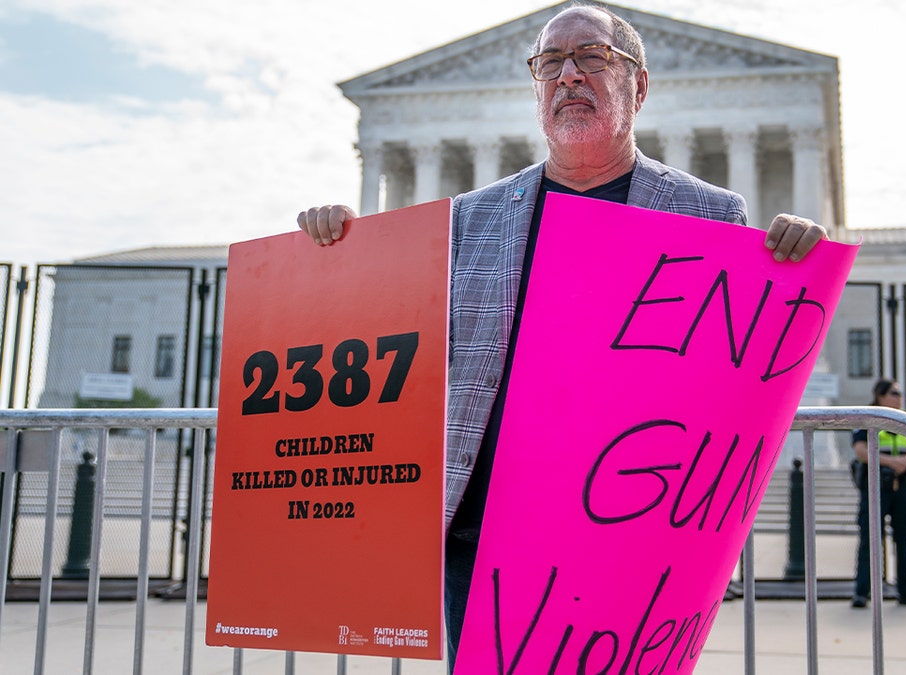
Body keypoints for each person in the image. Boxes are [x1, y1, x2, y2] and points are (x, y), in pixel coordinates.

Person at [297, 4, 829, 668]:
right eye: (550, 64)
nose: (568, 76)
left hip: (625, 531)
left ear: (638, 86)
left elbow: (730, 380)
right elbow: (387, 339)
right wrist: (346, 250)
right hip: (484, 533)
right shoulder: (471, 216)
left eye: (592, 59)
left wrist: (792, 264)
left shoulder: (712, 213)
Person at [849, 378, 906, 608]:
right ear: (880, 396)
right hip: (875, 486)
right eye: (894, 393)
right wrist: (892, 462)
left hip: (905, 486)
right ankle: (862, 592)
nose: (898, 398)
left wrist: (905, 462)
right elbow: (860, 450)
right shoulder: (867, 418)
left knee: (904, 541)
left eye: (900, 393)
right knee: (869, 540)